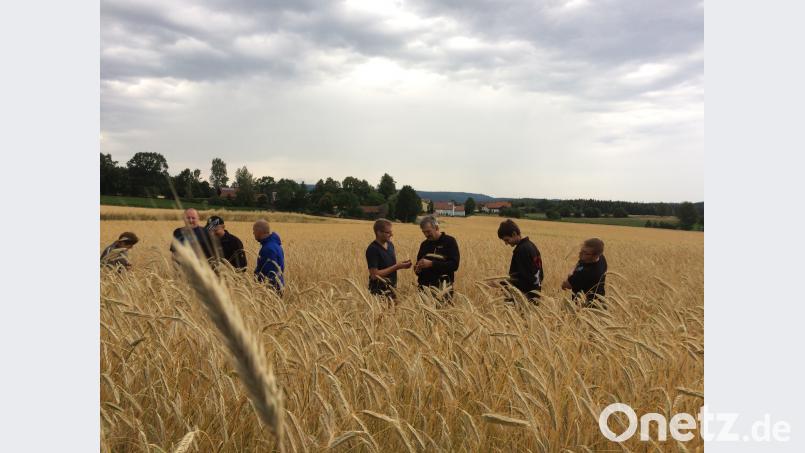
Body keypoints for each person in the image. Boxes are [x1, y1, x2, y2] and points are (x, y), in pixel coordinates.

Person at [414, 215, 460, 304]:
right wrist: (417, 269)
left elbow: (454, 265)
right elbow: (419, 263)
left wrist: (432, 264)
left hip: (443, 289)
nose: (426, 235)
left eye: (428, 231)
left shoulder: (450, 241)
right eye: (424, 232)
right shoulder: (424, 244)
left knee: (443, 314)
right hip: (424, 289)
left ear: (437, 228)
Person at [497, 219, 544, 304]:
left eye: (507, 240)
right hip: (534, 294)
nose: (506, 243)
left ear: (514, 234)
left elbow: (523, 279)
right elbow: (540, 274)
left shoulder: (521, 250)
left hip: (522, 298)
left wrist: (501, 283)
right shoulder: (531, 246)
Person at [365, 218, 412, 300]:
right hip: (378, 292)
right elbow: (374, 275)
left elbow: (389, 265)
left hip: (392, 289)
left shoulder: (390, 245)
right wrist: (397, 266)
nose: (391, 234)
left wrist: (402, 265)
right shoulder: (373, 249)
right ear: (379, 232)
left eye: (391, 232)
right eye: (388, 232)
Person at [562, 238, 607, 308]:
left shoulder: (587, 273)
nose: (580, 253)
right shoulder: (600, 258)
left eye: (585, 253)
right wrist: (571, 273)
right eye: (582, 250)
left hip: (587, 308)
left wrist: (571, 274)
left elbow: (565, 286)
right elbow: (580, 262)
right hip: (599, 302)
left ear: (595, 256)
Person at [253, 219, 285, 292]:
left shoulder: (268, 249)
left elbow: (270, 274)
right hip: (278, 286)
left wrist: (259, 284)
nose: (253, 233)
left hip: (271, 289)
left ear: (259, 231)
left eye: (254, 230)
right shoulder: (275, 245)